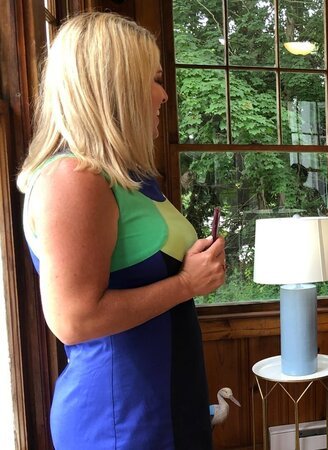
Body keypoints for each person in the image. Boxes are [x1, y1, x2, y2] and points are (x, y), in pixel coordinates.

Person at [16, 12, 226, 449]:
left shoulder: (120, 177)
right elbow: (74, 320)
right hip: (121, 420)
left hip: (163, 403)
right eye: (152, 79)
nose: (164, 95)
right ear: (115, 89)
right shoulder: (73, 178)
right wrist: (187, 282)